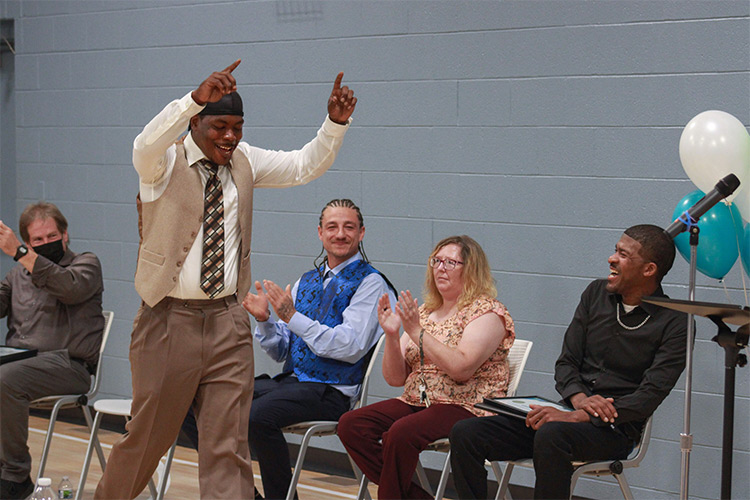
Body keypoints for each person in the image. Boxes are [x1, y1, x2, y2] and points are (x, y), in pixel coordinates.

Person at [94, 61, 357, 500]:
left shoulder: (245, 160)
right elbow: (144, 145)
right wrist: (191, 99)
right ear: (195, 123)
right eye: (219, 126)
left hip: (227, 323)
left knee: (228, 447)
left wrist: (334, 124)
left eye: (237, 127)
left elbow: (302, 167)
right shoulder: (163, 163)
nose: (230, 137)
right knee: (148, 440)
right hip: (166, 321)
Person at [449, 224, 688, 500]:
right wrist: (578, 400)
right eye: (615, 250)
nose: (611, 259)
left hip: (614, 430)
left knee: (552, 434)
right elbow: (566, 363)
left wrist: (582, 415)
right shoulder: (596, 294)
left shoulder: (674, 321)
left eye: (623, 254)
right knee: (466, 432)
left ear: (649, 270)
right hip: (566, 413)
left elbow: (648, 396)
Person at [182, 198, 397, 499]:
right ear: (319, 233)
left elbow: (349, 346)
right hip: (292, 384)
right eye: (332, 227)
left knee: (257, 417)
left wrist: (292, 317)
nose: (340, 234)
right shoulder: (305, 281)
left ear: (361, 233)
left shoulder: (372, 283)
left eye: (349, 227)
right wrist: (266, 320)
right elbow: (283, 350)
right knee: (192, 400)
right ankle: (241, 493)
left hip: (331, 392)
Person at [337, 235, 515, 500]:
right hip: (418, 400)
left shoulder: (487, 312)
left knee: (400, 433)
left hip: (465, 404)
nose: (440, 268)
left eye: (451, 262)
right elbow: (395, 378)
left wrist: (417, 333)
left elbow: (461, 368)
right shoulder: (425, 312)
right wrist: (392, 335)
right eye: (436, 261)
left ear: (471, 268)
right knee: (351, 424)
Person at [0, 202, 104, 500]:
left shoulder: (85, 264)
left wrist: (22, 254)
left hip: (68, 367)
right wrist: (22, 261)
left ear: (65, 234)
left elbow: (70, 288)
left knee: (5, 378)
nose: (46, 244)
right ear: (29, 241)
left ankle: (15, 475)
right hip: (20, 363)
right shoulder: (17, 276)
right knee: (7, 375)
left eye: (51, 236)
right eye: (38, 240)